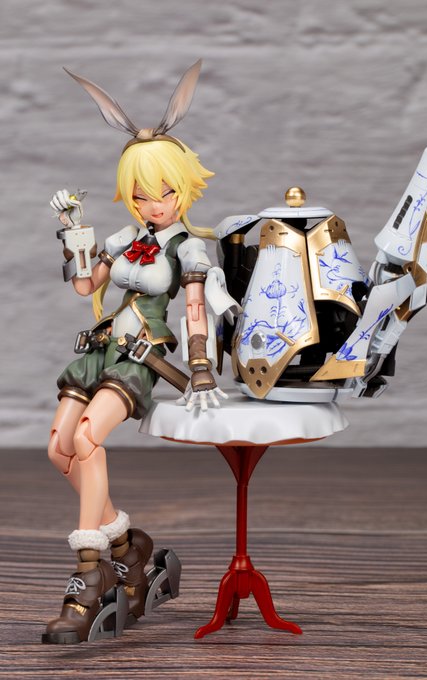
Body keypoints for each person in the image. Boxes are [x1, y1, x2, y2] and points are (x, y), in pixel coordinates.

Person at [43, 61, 232, 644]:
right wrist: (74, 234)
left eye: (165, 191)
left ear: (183, 187)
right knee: (58, 449)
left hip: (140, 356)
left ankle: (89, 574)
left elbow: (194, 307)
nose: (155, 204)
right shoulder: (124, 238)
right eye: (142, 194)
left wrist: (200, 369)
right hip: (100, 349)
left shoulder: (189, 248)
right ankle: (130, 548)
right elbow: (85, 287)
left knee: (87, 440)